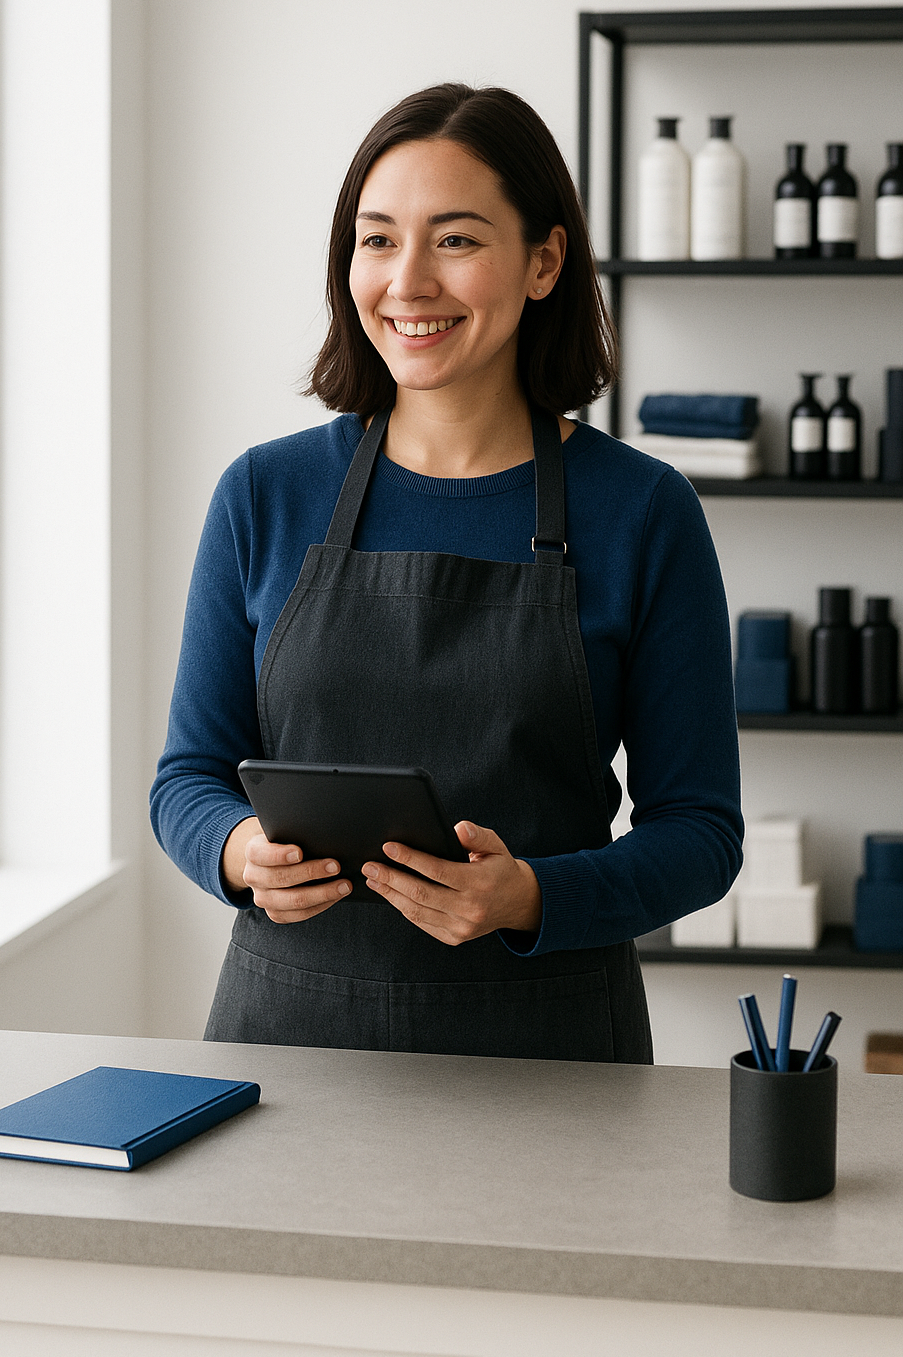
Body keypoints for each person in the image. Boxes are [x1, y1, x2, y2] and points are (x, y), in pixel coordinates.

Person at [150, 83, 743, 1064]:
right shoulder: (264, 494)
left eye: (455, 240)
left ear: (543, 261)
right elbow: (188, 779)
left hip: (549, 1061)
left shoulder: (640, 510)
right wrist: (237, 853)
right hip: (291, 1051)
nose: (408, 281)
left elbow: (700, 832)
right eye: (377, 240)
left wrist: (533, 896)